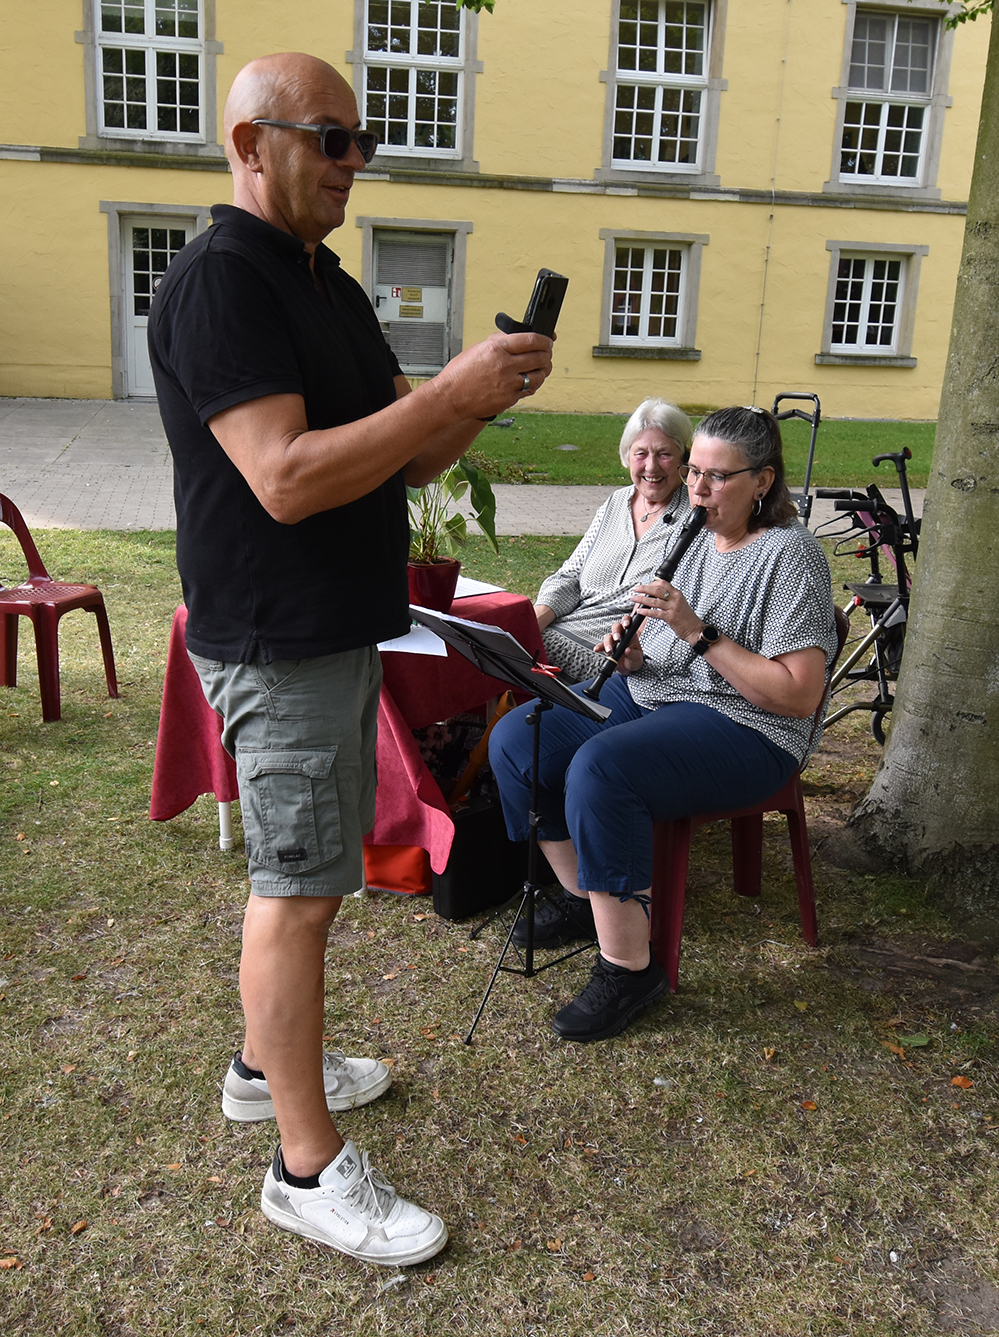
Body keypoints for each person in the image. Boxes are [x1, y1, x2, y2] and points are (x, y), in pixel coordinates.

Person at [147, 52, 552, 1266]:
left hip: (333, 628)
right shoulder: (222, 278)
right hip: (279, 636)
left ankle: (262, 1066)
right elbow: (283, 475)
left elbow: (407, 456)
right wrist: (449, 391)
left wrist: (475, 398)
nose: (353, 163)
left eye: (360, 142)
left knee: (309, 873)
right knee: (300, 888)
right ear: (249, 142)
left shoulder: (325, 282)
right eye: (330, 139)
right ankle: (304, 1168)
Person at [490, 406, 838, 1042]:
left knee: (603, 768)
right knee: (519, 739)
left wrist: (696, 632)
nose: (697, 489)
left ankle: (630, 969)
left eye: (717, 477)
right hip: (657, 695)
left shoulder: (790, 556)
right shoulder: (695, 537)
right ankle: (584, 899)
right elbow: (661, 654)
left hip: (749, 727)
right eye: (695, 472)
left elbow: (797, 696)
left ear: (762, 481)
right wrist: (633, 656)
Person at [534, 399, 693, 683]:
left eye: (665, 454)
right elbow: (570, 575)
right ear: (627, 455)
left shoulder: (693, 519)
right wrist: (535, 621)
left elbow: (665, 608)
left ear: (684, 458)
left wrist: (628, 649)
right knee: (497, 643)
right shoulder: (616, 502)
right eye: (641, 453)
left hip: (616, 654)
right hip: (563, 628)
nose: (651, 466)